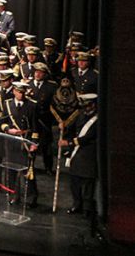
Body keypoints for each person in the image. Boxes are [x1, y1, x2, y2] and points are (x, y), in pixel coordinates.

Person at [60, 93, 101, 238]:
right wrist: (64, 127)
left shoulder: (97, 120)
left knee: (88, 185)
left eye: (88, 106)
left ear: (93, 105)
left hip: (88, 155)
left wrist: (69, 143)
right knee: (74, 182)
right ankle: (76, 204)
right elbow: (73, 129)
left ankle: (87, 209)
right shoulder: (81, 115)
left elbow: (88, 137)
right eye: (84, 106)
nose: (86, 109)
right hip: (77, 155)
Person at [0, 82, 39, 207]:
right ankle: (15, 195)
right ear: (14, 91)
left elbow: (35, 126)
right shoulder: (7, 104)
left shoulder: (32, 105)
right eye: (18, 92)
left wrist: (34, 143)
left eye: (22, 92)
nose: (21, 94)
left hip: (25, 140)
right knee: (11, 171)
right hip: (11, 141)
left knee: (27, 171)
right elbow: (2, 122)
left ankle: (31, 197)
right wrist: (8, 130)